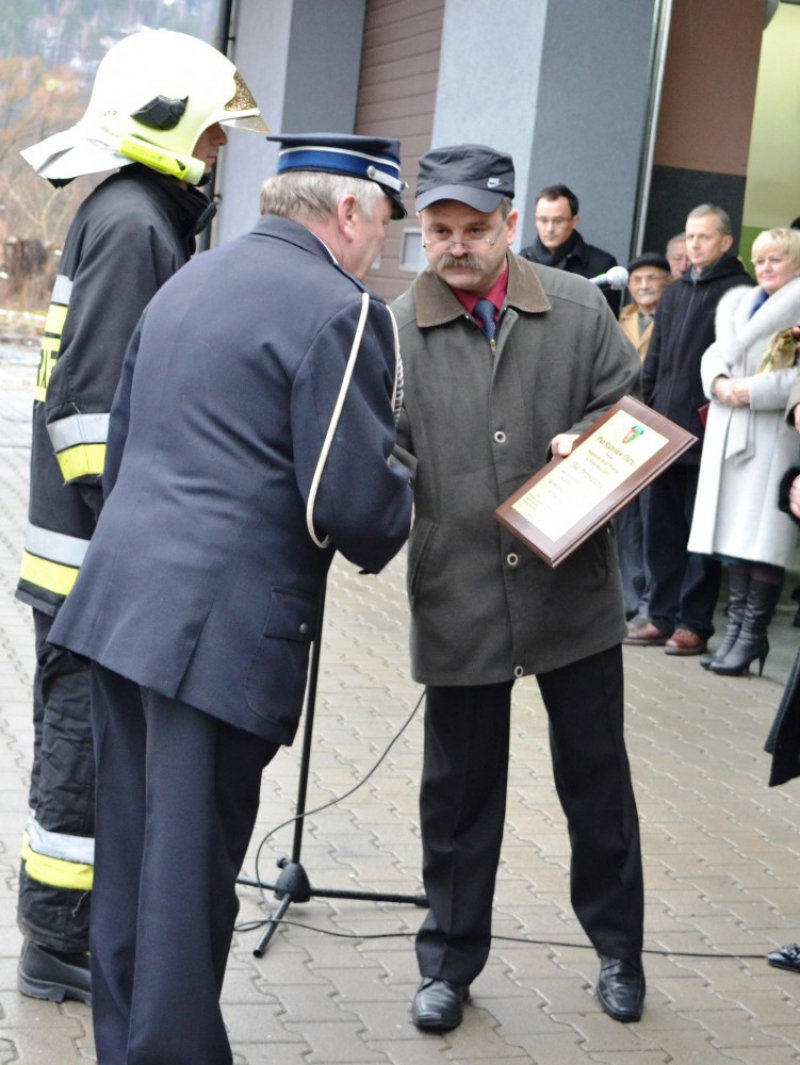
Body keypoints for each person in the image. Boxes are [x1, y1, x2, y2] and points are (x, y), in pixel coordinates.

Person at [46, 132, 413, 1065]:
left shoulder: (189, 279)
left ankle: (127, 1044)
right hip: (215, 636)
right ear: (347, 214)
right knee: (185, 877)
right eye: (383, 227)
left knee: (130, 860)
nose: (384, 250)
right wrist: (411, 494)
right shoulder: (344, 311)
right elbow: (351, 501)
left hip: (123, 610)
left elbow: (125, 448)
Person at [13, 28, 268, 1006]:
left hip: (94, 555)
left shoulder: (132, 213)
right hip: (94, 560)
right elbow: (87, 416)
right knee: (80, 742)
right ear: (166, 127)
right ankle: (59, 938)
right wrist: (144, 530)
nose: (217, 155)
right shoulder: (132, 224)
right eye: (211, 137)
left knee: (83, 737)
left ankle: (68, 928)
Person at [393, 144, 645, 1034]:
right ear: (422, 230)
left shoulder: (578, 308)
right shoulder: (394, 327)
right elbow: (380, 450)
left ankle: (620, 949)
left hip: (570, 588)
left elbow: (629, 406)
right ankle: (447, 964)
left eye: (474, 229)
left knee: (596, 779)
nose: (456, 247)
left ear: (510, 224)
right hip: (457, 590)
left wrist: (593, 441)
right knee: (457, 795)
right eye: (439, 231)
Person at [625, 204, 754, 655]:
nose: (694, 244)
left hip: (709, 434)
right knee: (660, 530)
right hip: (663, 433)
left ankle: (693, 624)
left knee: (700, 534)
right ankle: (659, 616)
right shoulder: (676, 292)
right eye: (689, 235)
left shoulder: (741, 293)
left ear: (726, 242)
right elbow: (655, 359)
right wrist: (648, 409)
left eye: (704, 236)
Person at [687, 228, 800, 675]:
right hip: (732, 425)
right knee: (736, 539)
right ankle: (735, 632)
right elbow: (713, 353)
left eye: (776, 259)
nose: (766, 267)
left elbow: (797, 380)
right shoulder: (741, 301)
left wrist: (746, 390)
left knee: (763, 540)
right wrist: (719, 384)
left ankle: (752, 635)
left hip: (772, 432)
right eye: (761, 259)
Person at [615, 252, 671, 622]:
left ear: (668, 281)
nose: (644, 285)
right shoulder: (622, 318)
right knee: (626, 514)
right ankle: (628, 596)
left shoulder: (672, 316)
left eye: (653, 278)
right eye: (637, 280)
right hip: (623, 425)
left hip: (660, 424)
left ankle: (653, 597)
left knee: (654, 517)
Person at [520, 183, 622, 313]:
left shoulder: (602, 265)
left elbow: (606, 325)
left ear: (574, 221)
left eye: (558, 220)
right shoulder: (520, 262)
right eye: (543, 220)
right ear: (536, 220)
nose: (549, 229)